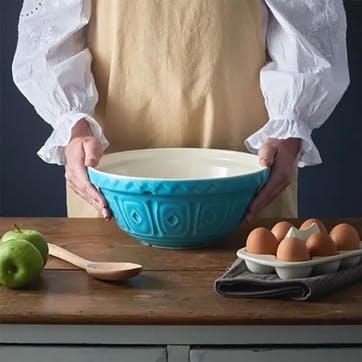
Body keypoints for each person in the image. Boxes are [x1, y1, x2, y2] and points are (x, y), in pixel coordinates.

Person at [12, 0, 349, 221]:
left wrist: (288, 132)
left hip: (247, 177)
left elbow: (308, 28)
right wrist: (73, 129)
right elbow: (49, 41)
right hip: (112, 183)